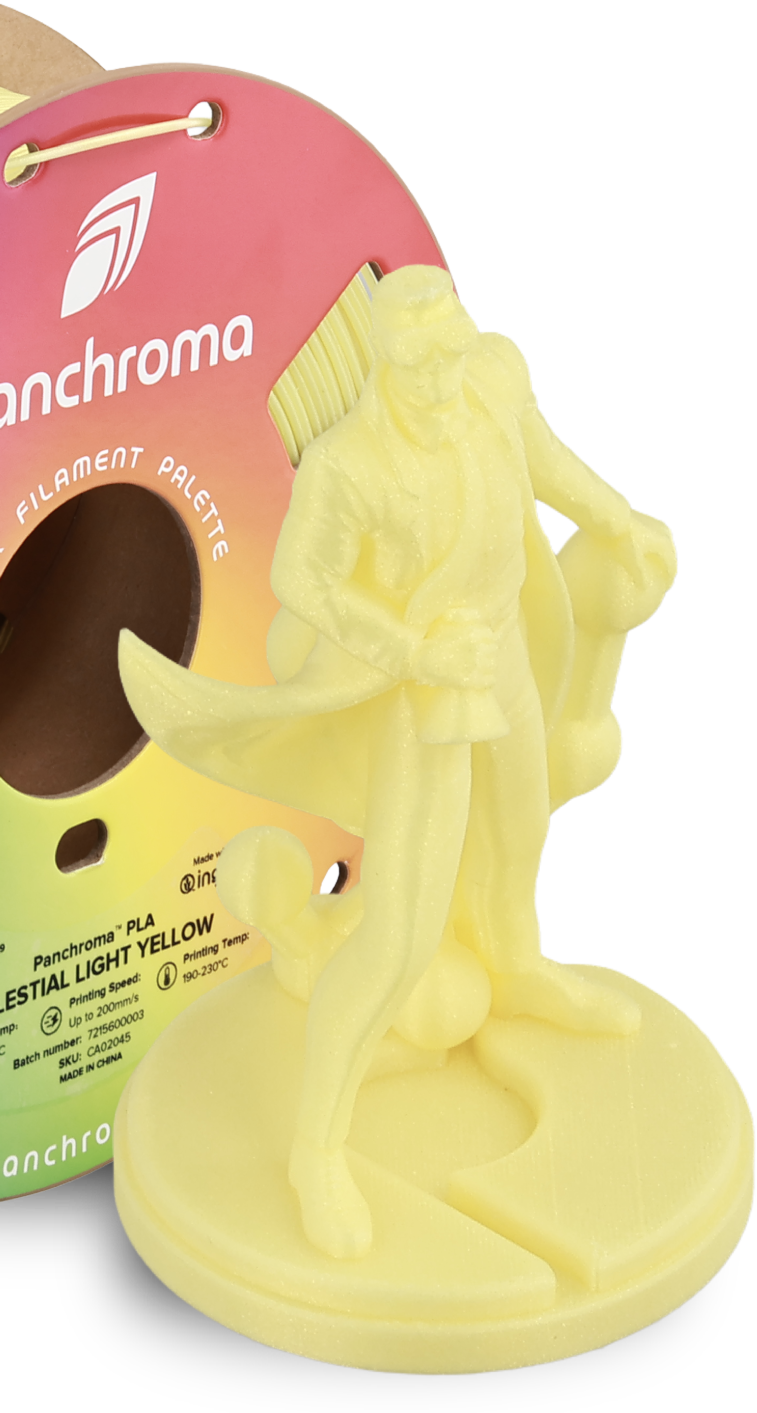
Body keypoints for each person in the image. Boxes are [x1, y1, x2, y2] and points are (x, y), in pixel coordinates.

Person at [118, 264, 678, 1259]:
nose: (439, 381)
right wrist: (414, 652)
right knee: (401, 935)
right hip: (420, 695)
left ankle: (517, 971)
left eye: (449, 354)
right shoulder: (351, 465)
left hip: (501, 658)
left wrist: (616, 516)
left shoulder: (489, 376)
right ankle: (317, 1148)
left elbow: (542, 459)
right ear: (384, 365)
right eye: (417, 367)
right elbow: (303, 577)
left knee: (519, 834)